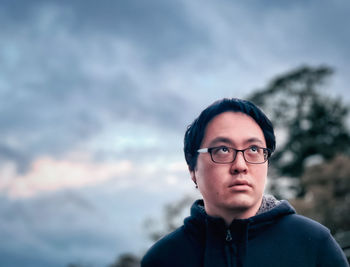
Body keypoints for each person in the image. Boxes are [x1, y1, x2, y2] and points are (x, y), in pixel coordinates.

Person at [141, 98, 349, 267]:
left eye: (254, 150)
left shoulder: (313, 244)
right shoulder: (164, 258)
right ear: (193, 170)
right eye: (223, 150)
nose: (240, 165)